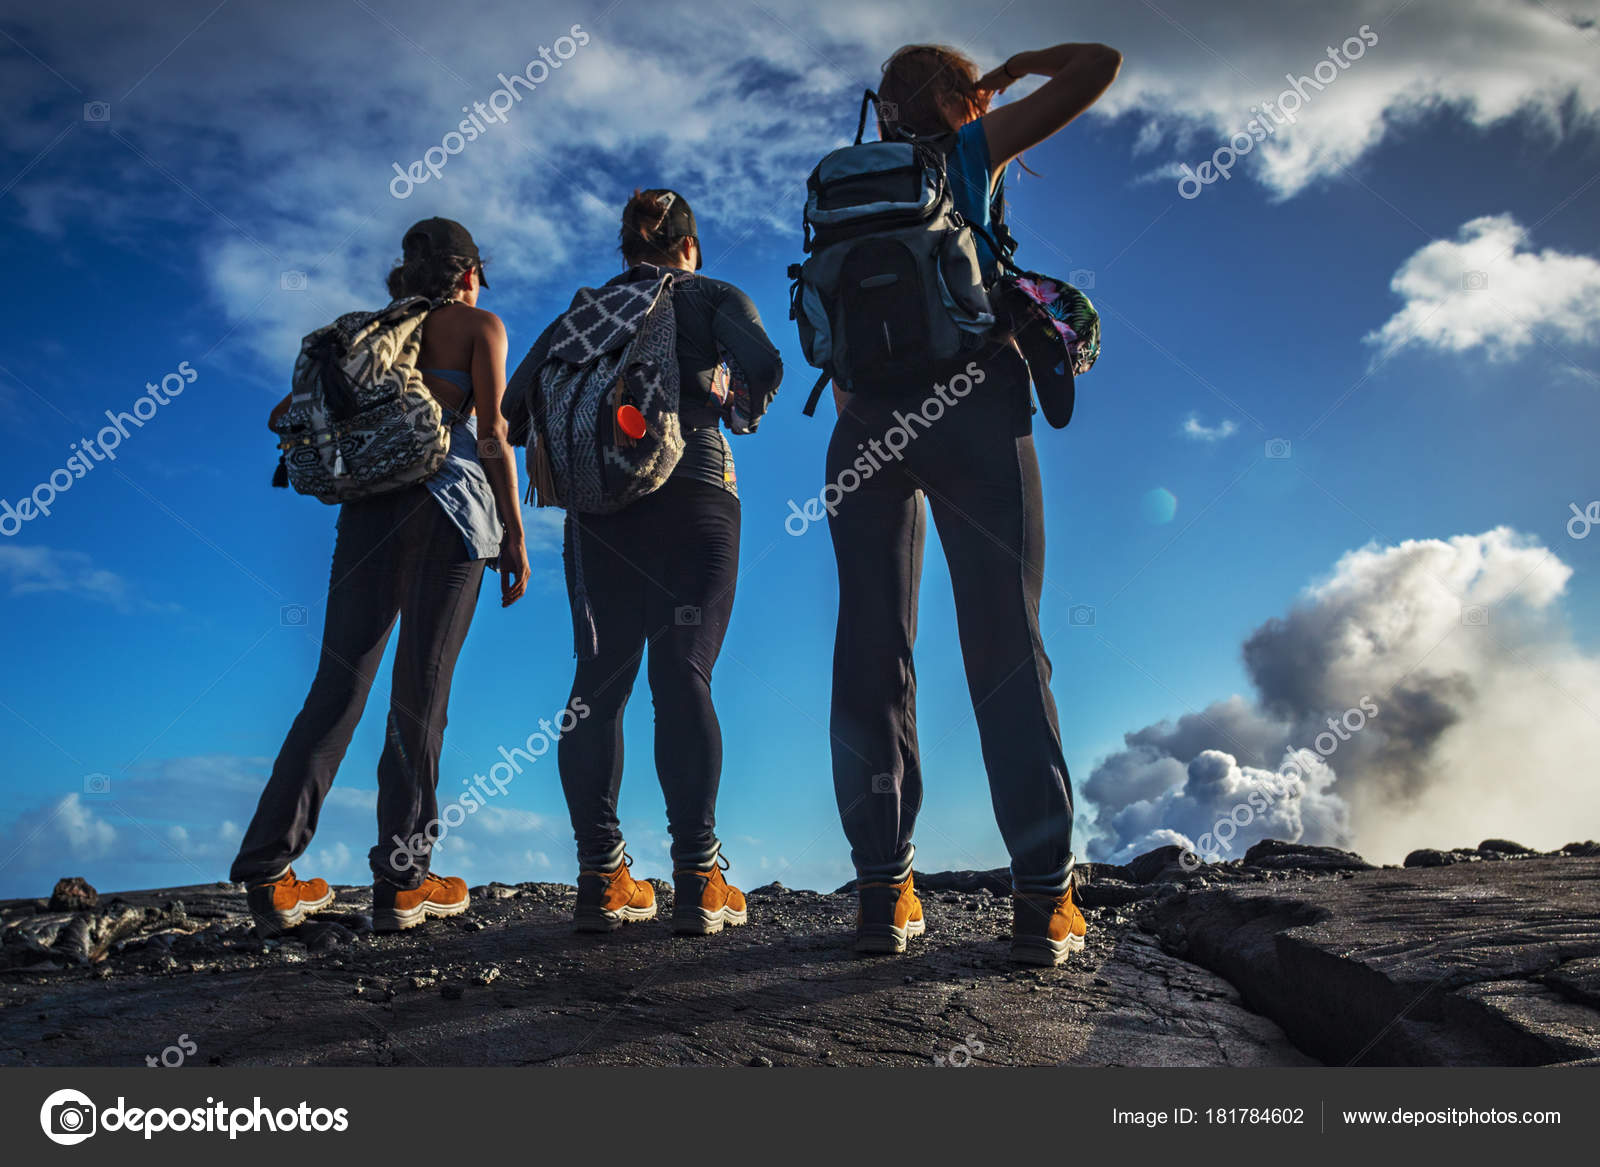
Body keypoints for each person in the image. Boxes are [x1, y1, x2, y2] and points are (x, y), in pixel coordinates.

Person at [826, 43, 1121, 964]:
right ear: (961, 96)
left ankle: (884, 895)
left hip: (863, 426)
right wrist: (1023, 66)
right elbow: (1100, 65)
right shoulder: (967, 152)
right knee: (1003, 642)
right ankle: (1042, 902)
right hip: (974, 410)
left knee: (872, 644)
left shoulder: (844, 182)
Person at [232, 217, 530, 934]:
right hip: (450, 510)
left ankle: (272, 874)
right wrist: (516, 535)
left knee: (338, 686)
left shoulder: (363, 336)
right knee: (419, 694)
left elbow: (291, 414)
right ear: (467, 273)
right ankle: (403, 882)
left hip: (367, 516)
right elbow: (493, 433)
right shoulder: (479, 325)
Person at [509, 189, 782, 935]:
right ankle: (699, 877)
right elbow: (762, 361)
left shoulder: (582, 312)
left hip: (599, 516)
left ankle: (602, 876)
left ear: (626, 252)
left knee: (598, 684)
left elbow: (509, 408)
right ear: (688, 248)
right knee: (682, 671)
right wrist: (736, 407)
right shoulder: (709, 293)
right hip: (694, 490)